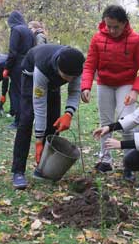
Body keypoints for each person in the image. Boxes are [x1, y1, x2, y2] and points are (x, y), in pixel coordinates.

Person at [81, 5, 139, 173]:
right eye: (108, 26)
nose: (112, 30)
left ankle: (129, 163)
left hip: (126, 85)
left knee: (126, 123)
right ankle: (105, 160)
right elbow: (90, 65)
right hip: (104, 83)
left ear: (124, 23)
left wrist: (135, 90)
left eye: (116, 27)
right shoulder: (97, 39)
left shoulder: (136, 39)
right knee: (105, 123)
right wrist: (86, 86)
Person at [11, 44, 85, 189]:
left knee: (53, 121)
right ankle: (18, 171)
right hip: (31, 74)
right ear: (58, 68)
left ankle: (44, 168)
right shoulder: (42, 68)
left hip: (52, 82)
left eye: (73, 77)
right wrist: (39, 141)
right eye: (66, 76)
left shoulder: (76, 66)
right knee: (26, 120)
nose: (70, 80)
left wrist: (68, 114)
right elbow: (39, 106)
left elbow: (75, 91)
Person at [4, 11, 36, 129]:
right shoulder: (29, 31)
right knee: (26, 93)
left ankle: (18, 121)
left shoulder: (16, 30)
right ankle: (26, 119)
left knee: (15, 92)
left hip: (18, 65)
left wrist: (7, 68)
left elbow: (12, 52)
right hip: (29, 64)